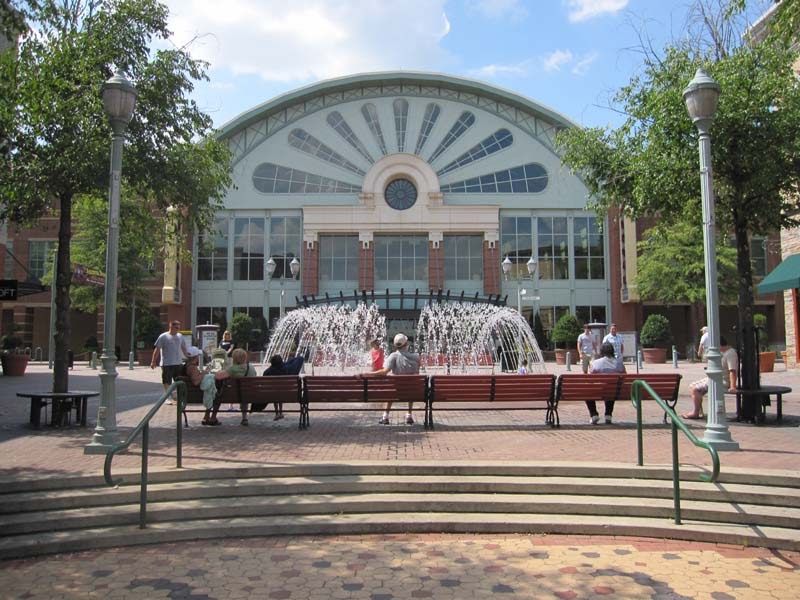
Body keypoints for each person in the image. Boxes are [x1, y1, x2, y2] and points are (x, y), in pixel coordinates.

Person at [364, 333, 421, 425]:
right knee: (411, 385)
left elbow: (384, 371)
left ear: (395, 345)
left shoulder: (393, 356)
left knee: (391, 389)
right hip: (411, 391)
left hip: (396, 390)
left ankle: (385, 416)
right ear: (406, 344)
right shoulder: (416, 356)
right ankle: (409, 415)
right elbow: (417, 370)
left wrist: (369, 373)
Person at [683, 336, 738, 420]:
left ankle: (695, 412)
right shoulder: (723, 352)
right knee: (692, 386)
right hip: (714, 378)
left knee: (695, 389)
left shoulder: (730, 353)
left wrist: (732, 386)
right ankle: (699, 411)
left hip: (722, 381)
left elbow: (732, 371)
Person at [150, 319, 190, 404]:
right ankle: (167, 397)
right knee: (166, 381)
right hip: (166, 363)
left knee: (178, 381)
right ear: (171, 327)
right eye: (176, 327)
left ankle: (178, 397)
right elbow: (157, 349)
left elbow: (183, 348)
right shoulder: (163, 336)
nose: (177, 329)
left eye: (178, 328)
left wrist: (188, 356)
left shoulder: (180, 336)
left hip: (178, 363)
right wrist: (153, 361)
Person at [216, 348, 258, 425]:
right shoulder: (251, 367)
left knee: (217, 393)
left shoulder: (233, 369)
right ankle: (244, 418)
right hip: (250, 394)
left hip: (234, 395)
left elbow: (218, 376)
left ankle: (211, 416)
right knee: (244, 394)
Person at [586, 342, 624, 425]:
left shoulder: (595, 363)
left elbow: (590, 379)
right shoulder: (619, 363)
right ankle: (608, 414)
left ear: (601, 351)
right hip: (615, 392)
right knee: (611, 388)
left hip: (599, 391)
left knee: (587, 392)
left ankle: (593, 414)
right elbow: (624, 377)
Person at [262, 354, 288, 420]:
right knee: (280, 392)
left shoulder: (267, 372)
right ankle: (281, 412)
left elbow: (263, 384)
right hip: (284, 393)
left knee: (275, 393)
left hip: (271, 394)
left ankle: (277, 413)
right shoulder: (285, 371)